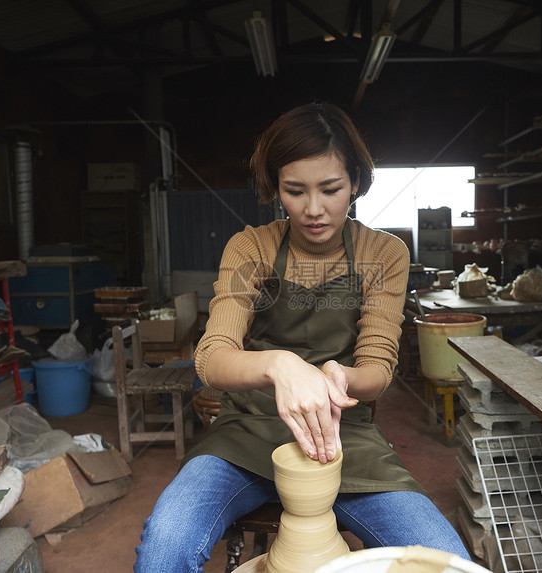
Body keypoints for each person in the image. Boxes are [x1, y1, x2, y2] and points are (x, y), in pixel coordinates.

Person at [134, 102, 470, 572]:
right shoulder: (250, 247)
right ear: (275, 189)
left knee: (447, 560)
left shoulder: (383, 252)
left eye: (331, 189)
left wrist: (338, 376)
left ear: (356, 182)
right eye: (295, 191)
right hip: (244, 437)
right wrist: (280, 365)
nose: (314, 209)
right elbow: (212, 358)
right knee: (165, 547)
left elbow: (377, 371)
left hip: (341, 439)